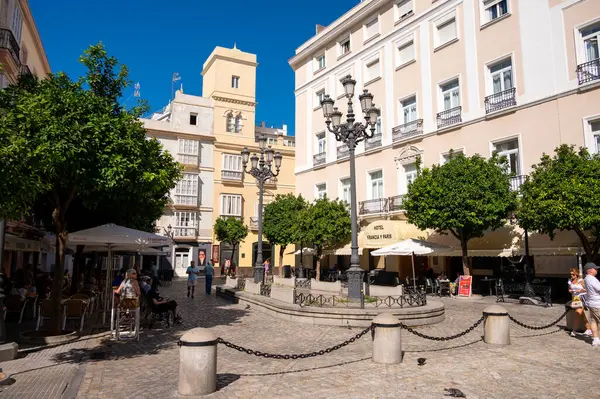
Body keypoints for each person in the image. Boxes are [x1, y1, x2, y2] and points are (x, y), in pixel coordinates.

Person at [568, 268, 592, 336]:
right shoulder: (570, 281)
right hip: (575, 299)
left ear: (577, 274)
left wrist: (579, 291)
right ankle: (589, 329)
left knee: (578, 313)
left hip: (582, 298)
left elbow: (586, 289)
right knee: (582, 314)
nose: (572, 276)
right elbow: (569, 289)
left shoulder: (581, 281)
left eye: (573, 274)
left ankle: (574, 330)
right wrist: (571, 291)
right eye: (571, 274)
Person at [583, 262, 600, 347]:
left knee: (594, 321)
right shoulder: (592, 279)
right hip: (597, 303)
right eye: (595, 268)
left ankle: (596, 339)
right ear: (590, 270)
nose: (596, 270)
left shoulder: (586, 279)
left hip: (591, 303)